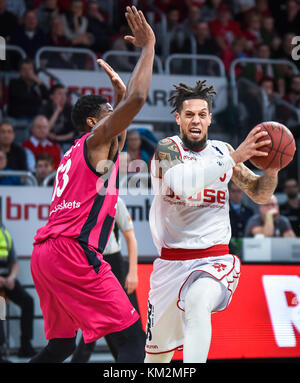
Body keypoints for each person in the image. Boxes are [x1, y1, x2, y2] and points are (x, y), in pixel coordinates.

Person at [29, 5, 155, 364]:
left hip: (45, 254)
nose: (117, 124)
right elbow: (138, 100)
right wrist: (148, 48)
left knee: (61, 347)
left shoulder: (77, 151)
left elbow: (124, 116)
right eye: (108, 118)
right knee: (133, 341)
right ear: (92, 123)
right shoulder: (96, 141)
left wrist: (117, 102)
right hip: (72, 253)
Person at [144, 80, 283, 363]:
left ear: (210, 118)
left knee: (197, 303)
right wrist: (235, 158)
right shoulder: (167, 149)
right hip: (170, 264)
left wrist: (272, 169)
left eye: (202, 114)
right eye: (189, 114)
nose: (196, 120)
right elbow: (182, 185)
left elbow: (259, 193)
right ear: (178, 119)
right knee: (156, 361)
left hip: (213, 259)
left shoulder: (223, 150)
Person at [71, 196, 144, 362]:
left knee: (129, 321)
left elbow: (130, 237)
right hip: (88, 263)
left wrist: (133, 272)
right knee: (96, 320)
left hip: (114, 263)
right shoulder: (81, 199)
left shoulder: (115, 200)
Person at [0, 225, 36, 358]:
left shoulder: (4, 235)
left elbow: (14, 262)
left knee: (28, 301)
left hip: (7, 279)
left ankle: (25, 345)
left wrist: (12, 277)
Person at [39, 84, 76, 152]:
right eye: (59, 94)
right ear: (52, 96)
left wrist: (57, 138)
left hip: (65, 142)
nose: (63, 97)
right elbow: (44, 129)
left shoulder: (70, 109)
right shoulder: (45, 108)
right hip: (47, 141)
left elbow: (73, 133)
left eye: (65, 94)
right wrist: (57, 112)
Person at [228, 180, 254, 257]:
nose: (236, 194)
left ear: (242, 193)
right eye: (233, 191)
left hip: (247, 247)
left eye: (239, 191)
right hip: (229, 247)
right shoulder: (223, 211)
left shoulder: (249, 212)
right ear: (228, 192)